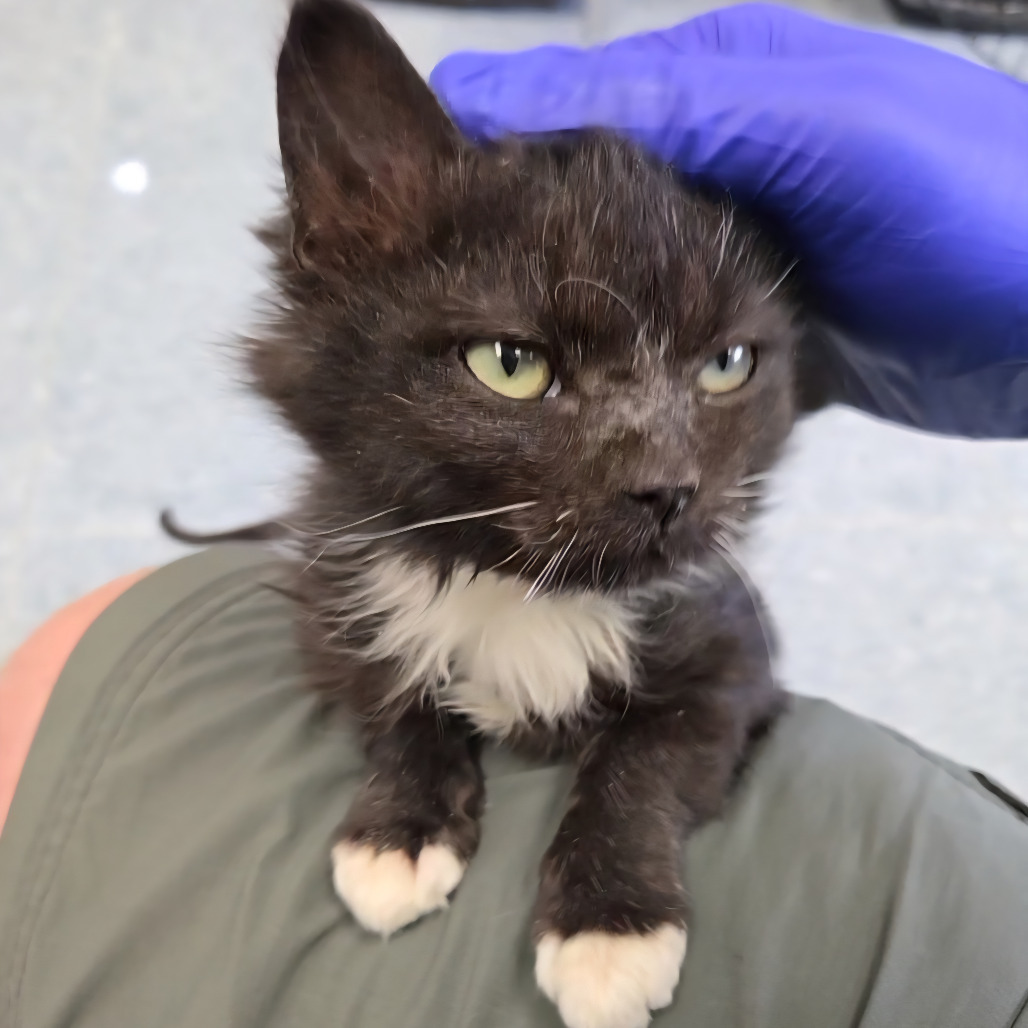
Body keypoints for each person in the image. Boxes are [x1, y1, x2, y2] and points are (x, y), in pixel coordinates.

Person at [1, 7, 1027, 1027]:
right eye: (516, 361)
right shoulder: (359, 573)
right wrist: (416, 764)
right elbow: (340, 620)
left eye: (721, 365)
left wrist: (617, 848)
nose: (669, 471)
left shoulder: (679, 587)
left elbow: (716, 676)